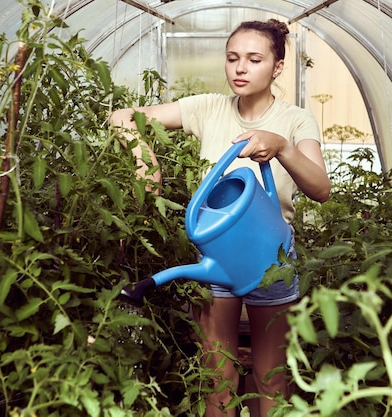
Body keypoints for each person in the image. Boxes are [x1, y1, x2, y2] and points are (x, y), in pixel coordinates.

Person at [109, 19, 331, 417]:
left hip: (270, 255)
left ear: (277, 67)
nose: (240, 68)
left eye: (254, 59)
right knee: (216, 375)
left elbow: (321, 188)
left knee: (271, 377)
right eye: (232, 58)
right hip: (216, 254)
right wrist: (145, 158)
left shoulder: (296, 120)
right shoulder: (207, 107)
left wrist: (281, 147)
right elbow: (122, 117)